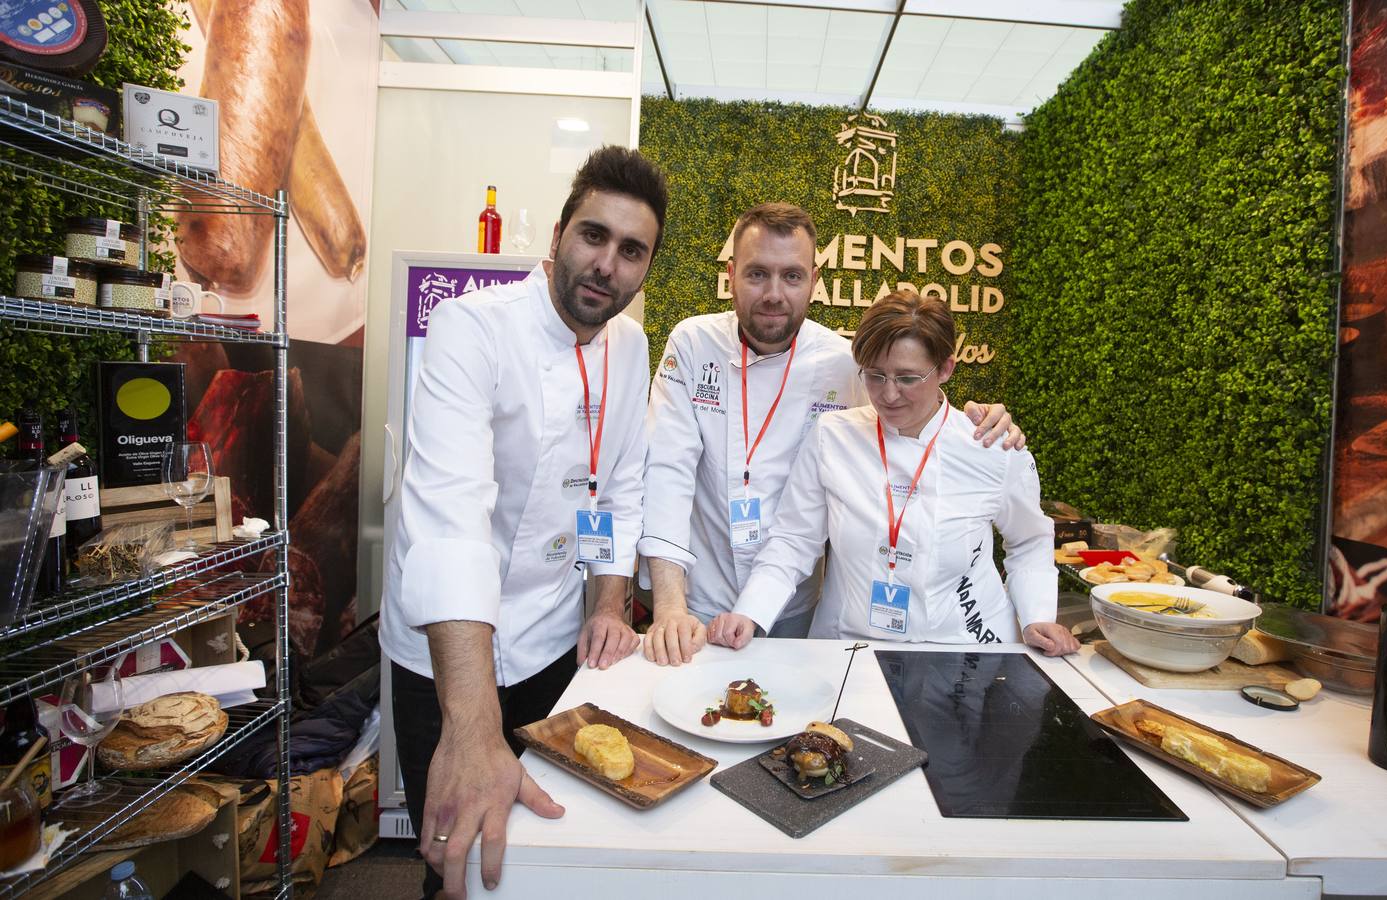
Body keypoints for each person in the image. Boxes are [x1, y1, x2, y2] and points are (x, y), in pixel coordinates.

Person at [379, 146, 665, 900]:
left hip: (550, 642)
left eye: (631, 251)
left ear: (645, 270)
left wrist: (607, 603)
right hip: (442, 653)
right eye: (594, 236)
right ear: (559, 235)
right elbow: (450, 521)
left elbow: (621, 487)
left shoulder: (631, 348)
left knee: (543, 852)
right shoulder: (470, 327)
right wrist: (470, 728)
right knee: (454, 856)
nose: (607, 264)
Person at [638, 203, 1025, 665]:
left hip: (800, 607)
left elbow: (908, 417)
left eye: (793, 276)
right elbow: (667, 472)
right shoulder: (693, 342)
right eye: (757, 274)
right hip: (696, 598)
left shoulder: (845, 363)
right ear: (731, 274)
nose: (774, 294)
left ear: (815, 281)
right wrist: (669, 606)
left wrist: (979, 422)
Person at [714, 289, 1079, 653]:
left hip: (965, 646)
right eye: (875, 375)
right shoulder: (832, 437)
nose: (888, 395)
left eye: (907, 378)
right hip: (851, 647)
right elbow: (794, 540)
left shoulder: (991, 445)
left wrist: (1038, 615)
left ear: (946, 369)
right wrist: (749, 613)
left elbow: (1029, 538)